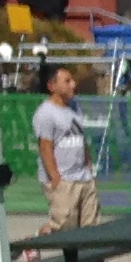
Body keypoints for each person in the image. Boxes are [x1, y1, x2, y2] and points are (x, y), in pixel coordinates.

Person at [31, 63, 99, 233]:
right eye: (67, 81)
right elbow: (45, 148)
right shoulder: (45, 113)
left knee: (91, 226)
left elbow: (82, 137)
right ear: (51, 86)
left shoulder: (75, 106)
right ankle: (36, 242)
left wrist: (88, 166)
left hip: (83, 176)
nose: (73, 85)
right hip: (64, 179)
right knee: (62, 227)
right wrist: (56, 178)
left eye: (72, 80)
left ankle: (87, 252)